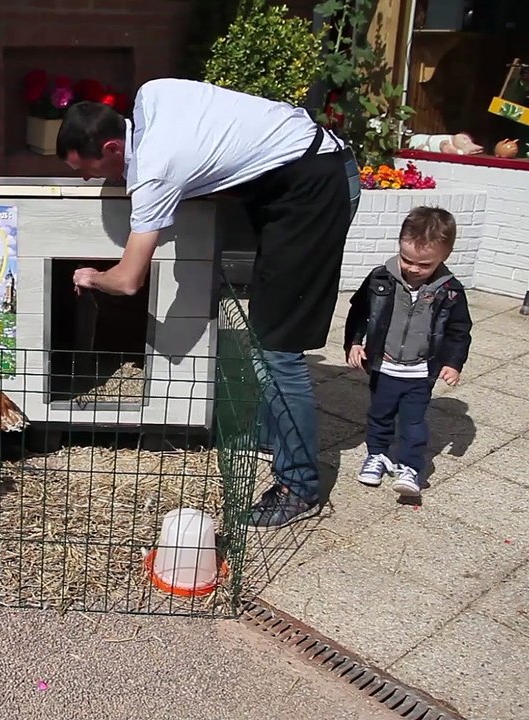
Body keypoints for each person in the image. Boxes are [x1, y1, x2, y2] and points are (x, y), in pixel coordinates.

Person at [57, 78, 360, 530]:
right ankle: (274, 432)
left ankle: (298, 485)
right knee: (265, 328)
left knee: (281, 348)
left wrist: (91, 276)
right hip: (295, 174)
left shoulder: (157, 166)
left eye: (88, 169)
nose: (86, 179)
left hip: (315, 189)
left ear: (114, 146)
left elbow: (128, 281)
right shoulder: (150, 94)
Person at [343, 206, 473, 497]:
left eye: (424, 264)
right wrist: (354, 343)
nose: (414, 268)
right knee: (380, 415)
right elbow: (359, 312)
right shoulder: (380, 279)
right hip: (384, 366)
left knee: (413, 421)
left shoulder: (451, 291)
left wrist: (453, 363)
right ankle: (376, 455)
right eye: (407, 260)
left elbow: (459, 330)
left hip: (420, 371)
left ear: (444, 256)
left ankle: (411, 467)